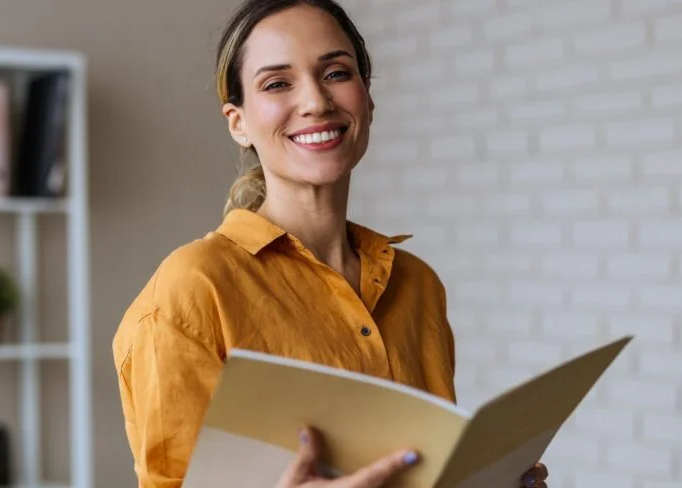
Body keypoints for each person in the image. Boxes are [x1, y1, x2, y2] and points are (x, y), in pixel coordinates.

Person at [112, 1, 550, 487]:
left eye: (336, 73)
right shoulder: (191, 292)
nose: (317, 102)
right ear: (238, 122)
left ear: (368, 98)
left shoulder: (419, 284)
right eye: (277, 83)